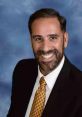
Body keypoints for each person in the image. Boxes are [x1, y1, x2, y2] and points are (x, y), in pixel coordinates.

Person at [7, 8, 82, 117]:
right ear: (31, 40)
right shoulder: (22, 69)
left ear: (65, 39)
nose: (45, 48)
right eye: (38, 39)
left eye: (52, 38)